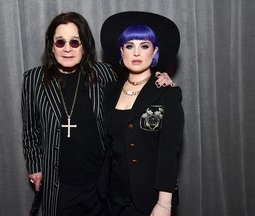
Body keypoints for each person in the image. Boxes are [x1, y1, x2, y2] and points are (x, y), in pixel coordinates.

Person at [21, 12, 174, 216]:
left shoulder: (103, 73)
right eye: (60, 42)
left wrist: (160, 77)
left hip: (101, 186)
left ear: (85, 45)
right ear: (51, 46)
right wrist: (35, 167)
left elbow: (135, 79)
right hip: (59, 186)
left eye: (75, 42)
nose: (67, 48)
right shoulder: (33, 79)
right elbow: (30, 130)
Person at [100, 11, 184, 216]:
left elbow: (169, 152)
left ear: (154, 51)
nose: (136, 53)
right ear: (121, 52)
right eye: (130, 46)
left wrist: (164, 203)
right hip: (111, 197)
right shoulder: (109, 90)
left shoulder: (167, 92)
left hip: (149, 198)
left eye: (144, 46)